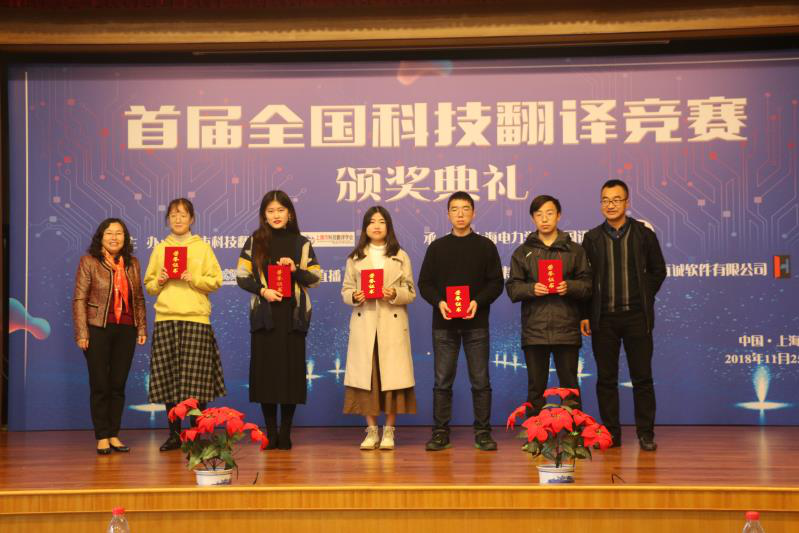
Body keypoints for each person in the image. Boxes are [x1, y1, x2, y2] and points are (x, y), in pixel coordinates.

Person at [580, 179, 666, 451]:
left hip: (637, 317)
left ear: (627, 202)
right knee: (606, 379)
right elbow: (585, 279)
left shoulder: (643, 234)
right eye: (605, 200)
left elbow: (658, 270)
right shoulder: (592, 238)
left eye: (616, 199)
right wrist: (585, 313)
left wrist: (644, 295)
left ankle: (645, 433)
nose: (611, 205)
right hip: (603, 319)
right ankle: (610, 434)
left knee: (642, 378)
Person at [418, 191, 504, 451]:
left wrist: (478, 301)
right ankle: (440, 432)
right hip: (444, 326)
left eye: (465, 208)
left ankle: (483, 432)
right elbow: (425, 283)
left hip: (476, 324)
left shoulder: (485, 246)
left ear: (473, 213)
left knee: (481, 381)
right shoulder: (437, 247)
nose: (460, 214)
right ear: (447, 214)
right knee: (442, 382)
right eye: (454, 209)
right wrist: (439, 302)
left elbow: (496, 283)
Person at [236, 190, 321, 450]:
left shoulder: (301, 243)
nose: (276, 215)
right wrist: (263, 291)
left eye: (280, 210)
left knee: (290, 376)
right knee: (266, 376)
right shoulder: (255, 241)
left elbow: (315, 278)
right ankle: (270, 433)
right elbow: (241, 276)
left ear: (290, 213)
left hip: (293, 318)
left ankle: (286, 432)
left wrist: (295, 270)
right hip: (265, 316)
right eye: (270, 211)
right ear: (264, 215)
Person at [144, 198, 227, 452]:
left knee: (196, 381)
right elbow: (149, 286)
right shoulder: (160, 249)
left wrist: (195, 279)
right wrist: (160, 280)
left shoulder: (202, 248)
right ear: (167, 219)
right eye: (173, 215)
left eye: (183, 214)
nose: (178, 219)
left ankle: (196, 435)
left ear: (192, 219)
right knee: (168, 380)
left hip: (195, 318)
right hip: (166, 318)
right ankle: (174, 434)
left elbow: (216, 281)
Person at [506, 195, 591, 428]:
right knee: (536, 387)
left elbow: (588, 285)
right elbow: (512, 288)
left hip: (566, 328)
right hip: (535, 330)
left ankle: (574, 435)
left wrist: (569, 286)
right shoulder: (522, 252)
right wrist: (531, 289)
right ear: (533, 218)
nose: (544, 219)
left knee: (570, 387)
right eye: (539, 214)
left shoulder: (575, 251)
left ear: (559, 215)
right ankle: (535, 436)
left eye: (549, 213)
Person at [341, 206, 417, 450]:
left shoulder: (400, 256)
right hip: (365, 324)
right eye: (371, 221)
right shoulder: (355, 258)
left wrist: (394, 293)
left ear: (388, 226)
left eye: (381, 221)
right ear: (365, 227)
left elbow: (411, 292)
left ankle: (389, 431)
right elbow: (345, 291)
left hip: (391, 324)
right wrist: (355, 296)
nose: (376, 226)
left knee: (391, 380)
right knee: (367, 380)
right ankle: (372, 430)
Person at [73, 218, 147, 455]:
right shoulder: (89, 261)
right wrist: (82, 332)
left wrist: (141, 328)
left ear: (125, 238)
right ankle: (102, 436)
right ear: (101, 237)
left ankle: (114, 434)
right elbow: (80, 299)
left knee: (117, 384)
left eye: (119, 233)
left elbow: (138, 298)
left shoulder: (132, 263)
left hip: (126, 329)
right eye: (109, 233)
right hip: (97, 329)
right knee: (100, 384)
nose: (114, 237)